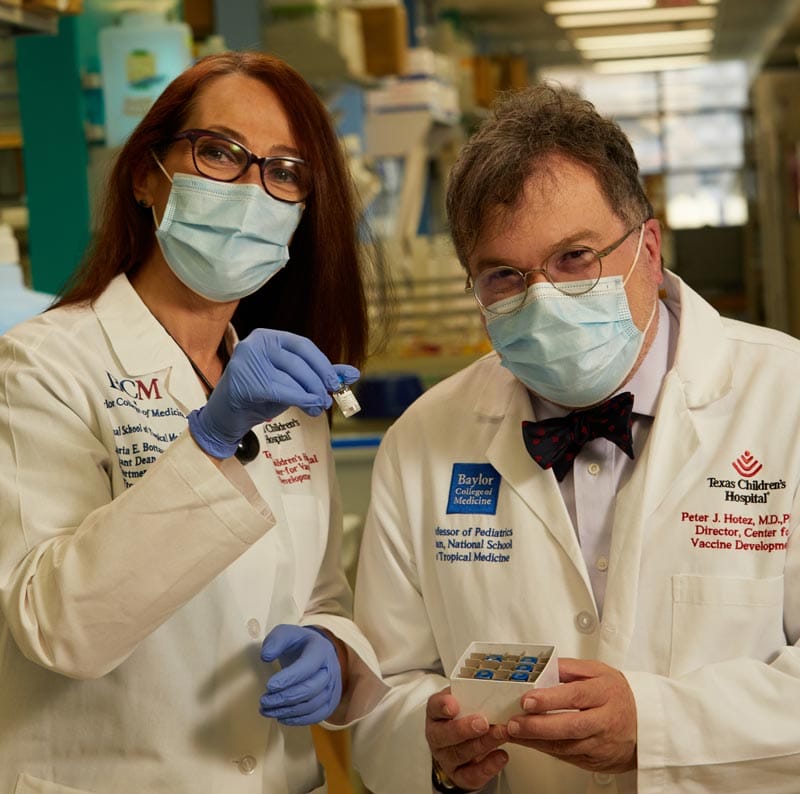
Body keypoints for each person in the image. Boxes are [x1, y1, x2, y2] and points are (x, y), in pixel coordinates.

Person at [351, 82, 800, 794]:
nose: (544, 298)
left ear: (648, 247)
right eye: (504, 275)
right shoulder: (423, 441)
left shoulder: (785, 401)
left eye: (574, 258)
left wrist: (658, 727)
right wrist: (431, 750)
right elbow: (380, 697)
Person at [0, 51, 388, 794]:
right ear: (147, 175)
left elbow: (321, 596)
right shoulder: (42, 367)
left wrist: (333, 655)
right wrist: (209, 439)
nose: (253, 189)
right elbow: (58, 627)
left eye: (284, 171)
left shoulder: (280, 387)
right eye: (219, 152)